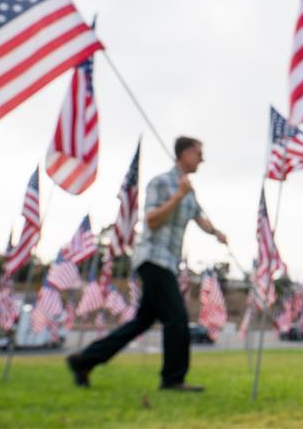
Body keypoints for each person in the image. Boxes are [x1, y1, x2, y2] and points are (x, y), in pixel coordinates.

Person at [67, 136, 227, 392]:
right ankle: (173, 379)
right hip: (153, 259)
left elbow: (199, 218)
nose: (202, 159)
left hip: (169, 263)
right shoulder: (161, 183)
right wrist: (178, 195)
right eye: (198, 154)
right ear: (184, 153)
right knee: (176, 318)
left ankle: (84, 360)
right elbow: (152, 220)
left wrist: (216, 232)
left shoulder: (189, 190)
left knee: (141, 322)